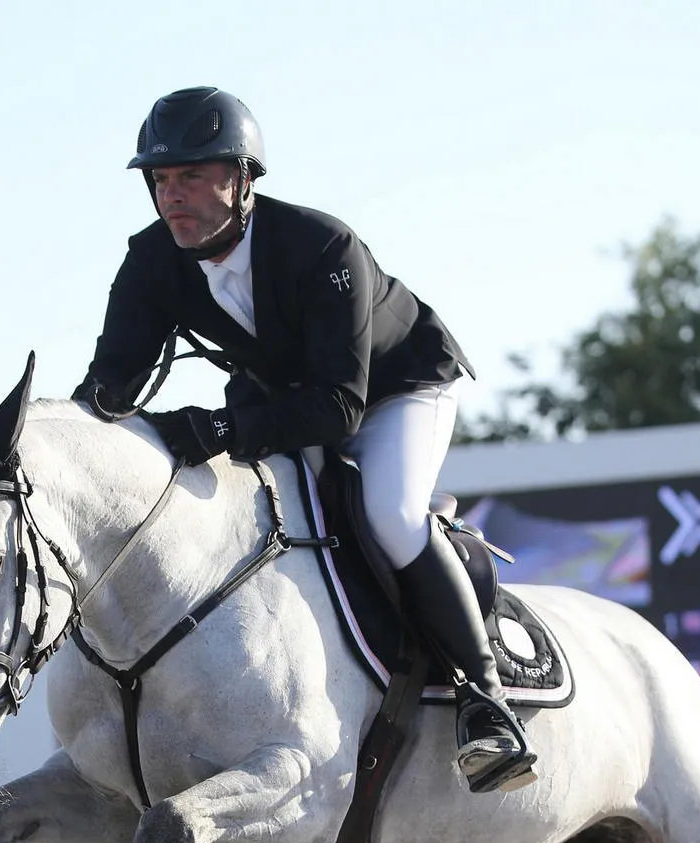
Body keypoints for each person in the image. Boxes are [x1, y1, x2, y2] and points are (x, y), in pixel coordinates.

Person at [74, 86, 536, 793]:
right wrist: (53, 436)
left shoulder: (321, 245)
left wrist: (220, 428)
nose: (173, 196)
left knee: (388, 514)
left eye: (193, 175)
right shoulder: (151, 260)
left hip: (396, 389)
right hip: (286, 395)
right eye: (161, 180)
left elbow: (339, 406)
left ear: (243, 178)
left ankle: (485, 701)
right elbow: (110, 387)